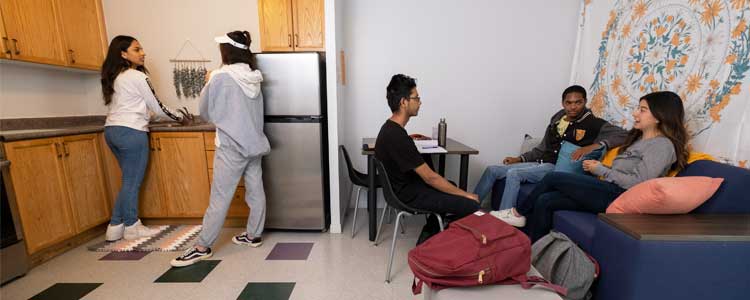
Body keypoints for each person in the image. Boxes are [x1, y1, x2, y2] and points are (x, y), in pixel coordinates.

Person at [506, 91, 689, 242]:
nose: (635, 114)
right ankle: (533, 250)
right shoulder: (639, 139)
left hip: (618, 196)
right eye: (637, 109)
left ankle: (517, 212)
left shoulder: (662, 146)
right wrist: (599, 165)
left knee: (553, 177)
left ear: (660, 116)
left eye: (642, 110)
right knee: (546, 200)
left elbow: (639, 183)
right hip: (609, 189)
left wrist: (601, 170)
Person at [171, 31, 270, 267]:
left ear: (227, 51)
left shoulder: (220, 77)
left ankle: (201, 246)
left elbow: (205, 112)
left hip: (232, 147)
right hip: (254, 144)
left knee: (220, 197)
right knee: (255, 191)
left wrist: (208, 82)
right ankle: (253, 235)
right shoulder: (254, 76)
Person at [473, 85, 627, 221]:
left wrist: (594, 146)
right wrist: (520, 158)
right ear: (563, 103)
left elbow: (623, 135)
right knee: (492, 170)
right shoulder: (558, 118)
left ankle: (503, 221)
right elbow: (542, 148)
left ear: (585, 102)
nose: (573, 107)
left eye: (578, 102)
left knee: (514, 173)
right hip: (540, 163)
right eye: (569, 103)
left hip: (558, 168)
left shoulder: (595, 123)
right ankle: (470, 209)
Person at [375, 74, 480, 245]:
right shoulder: (397, 136)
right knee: (471, 206)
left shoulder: (389, 129)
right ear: (404, 102)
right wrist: (467, 195)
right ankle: (440, 245)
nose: (420, 102)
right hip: (408, 195)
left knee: (450, 185)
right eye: (416, 98)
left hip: (402, 190)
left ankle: (429, 237)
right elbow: (430, 178)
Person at [101, 35, 186, 241]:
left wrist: (151, 114)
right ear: (123, 54)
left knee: (127, 180)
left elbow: (135, 107)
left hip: (111, 131)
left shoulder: (116, 77)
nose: (143, 53)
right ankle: (132, 226)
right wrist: (180, 116)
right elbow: (157, 106)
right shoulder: (137, 77)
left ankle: (115, 225)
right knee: (132, 181)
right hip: (131, 132)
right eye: (137, 49)